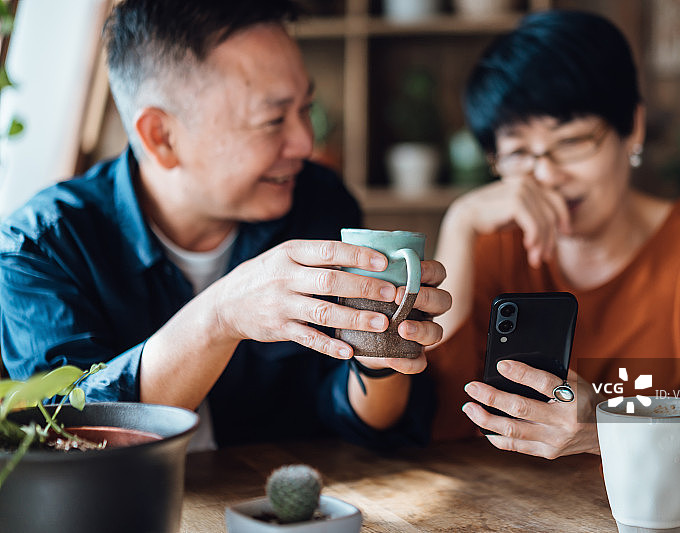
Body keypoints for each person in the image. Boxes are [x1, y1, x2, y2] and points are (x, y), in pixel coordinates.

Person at [0, 0, 451, 451]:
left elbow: (351, 417)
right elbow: (69, 433)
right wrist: (221, 314)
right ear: (162, 136)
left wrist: (383, 351)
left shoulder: (318, 202)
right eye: (273, 119)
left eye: (305, 108)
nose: (304, 142)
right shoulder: (39, 246)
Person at [428, 10, 680, 483]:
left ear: (633, 129)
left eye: (573, 141)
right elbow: (433, 416)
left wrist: (608, 428)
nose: (547, 175)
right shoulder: (492, 251)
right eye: (519, 152)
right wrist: (457, 226)